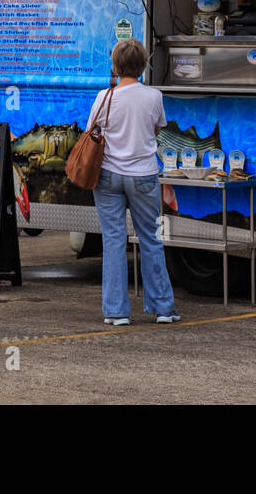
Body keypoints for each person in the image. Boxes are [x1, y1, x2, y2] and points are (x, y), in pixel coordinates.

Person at [87, 38, 179, 325]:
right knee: (151, 239)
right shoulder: (154, 96)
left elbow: (92, 130)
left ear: (115, 65)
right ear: (144, 65)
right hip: (144, 175)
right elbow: (157, 128)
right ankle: (163, 308)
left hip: (109, 175)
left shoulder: (104, 97)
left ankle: (116, 312)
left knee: (113, 241)